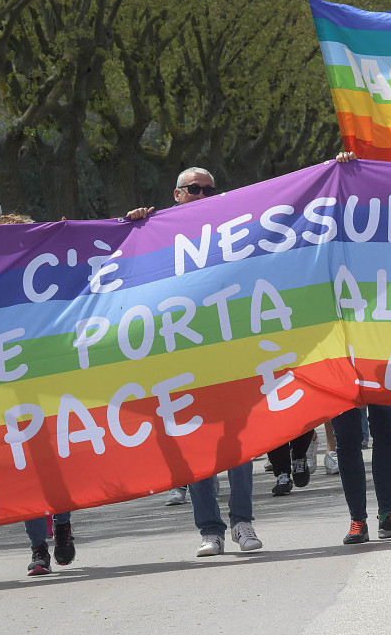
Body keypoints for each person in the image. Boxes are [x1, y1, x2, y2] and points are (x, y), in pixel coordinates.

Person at [128, 168, 262, 557]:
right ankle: (210, 530)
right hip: (183, 355)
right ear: (177, 194)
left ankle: (242, 523)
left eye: (209, 189)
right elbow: (129, 256)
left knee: (239, 445)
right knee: (197, 446)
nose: (203, 194)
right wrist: (134, 224)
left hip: (227, 354)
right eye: (195, 189)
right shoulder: (157, 230)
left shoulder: (231, 227)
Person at [331, 152, 391, 543]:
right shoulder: (323, 234)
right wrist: (344, 168)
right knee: (349, 438)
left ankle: (387, 514)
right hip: (337, 351)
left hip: (379, 346)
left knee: (387, 431)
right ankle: (357, 519)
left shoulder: (384, 234)